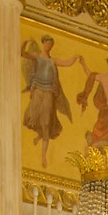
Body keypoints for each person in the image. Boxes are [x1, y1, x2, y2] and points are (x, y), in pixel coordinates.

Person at [21, 36, 84, 166]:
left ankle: (44, 156)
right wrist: (25, 41)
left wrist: (75, 57)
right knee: (32, 116)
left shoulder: (53, 61)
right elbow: (22, 53)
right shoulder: (37, 56)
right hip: (38, 90)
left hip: (49, 92)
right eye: (48, 43)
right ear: (43, 43)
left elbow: (66, 63)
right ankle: (39, 134)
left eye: (51, 44)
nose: (49, 46)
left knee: (47, 122)